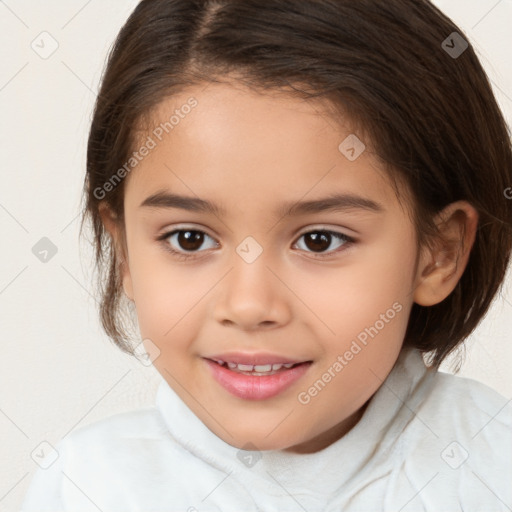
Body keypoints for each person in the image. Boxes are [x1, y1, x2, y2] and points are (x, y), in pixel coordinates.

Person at [21, 0, 512, 510]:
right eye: (189, 239)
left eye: (320, 239)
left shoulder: (495, 472)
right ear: (124, 252)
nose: (250, 305)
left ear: (439, 252)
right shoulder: (86, 487)